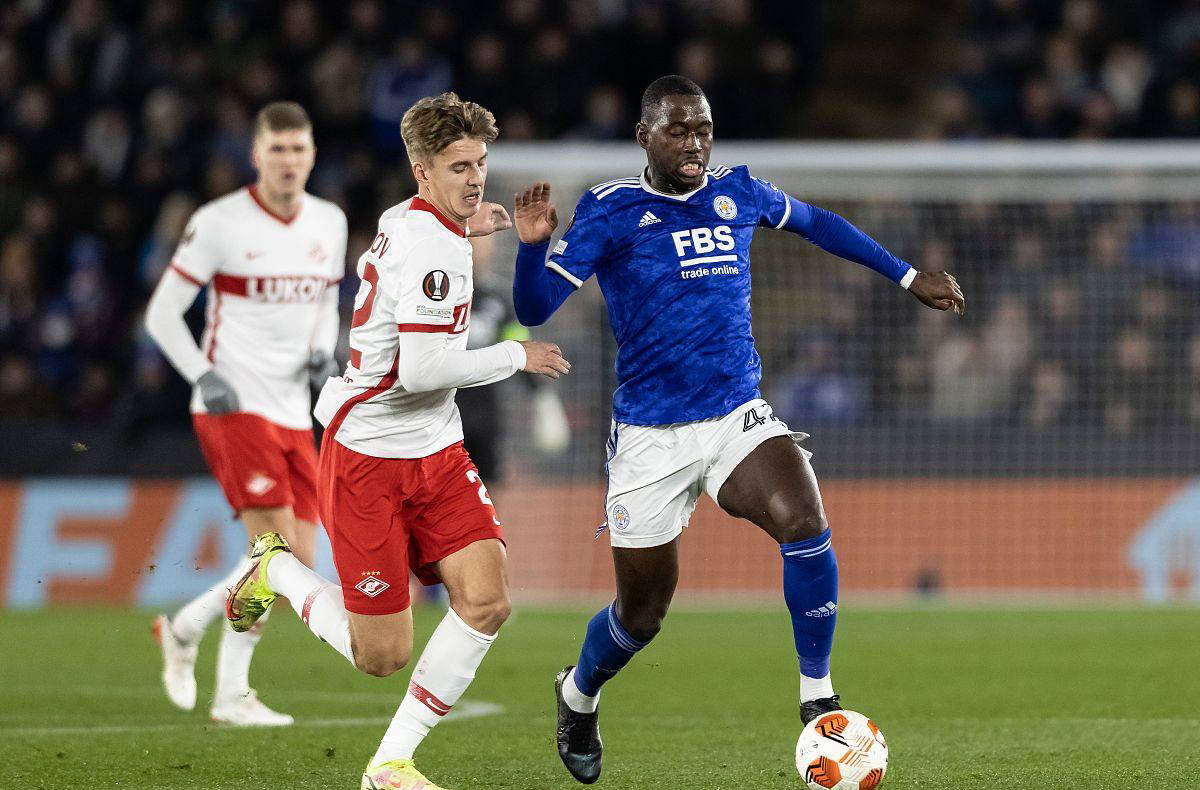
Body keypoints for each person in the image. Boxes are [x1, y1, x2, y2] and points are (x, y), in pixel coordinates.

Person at [511, 75, 966, 784]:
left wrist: (907, 277)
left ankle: (817, 694)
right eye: (678, 131)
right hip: (650, 436)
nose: (695, 143)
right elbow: (534, 308)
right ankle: (578, 694)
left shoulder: (739, 191)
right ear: (644, 137)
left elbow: (818, 223)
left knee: (805, 518)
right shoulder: (609, 209)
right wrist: (530, 249)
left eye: (703, 129)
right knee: (642, 614)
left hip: (734, 416)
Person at [225, 92, 570, 790]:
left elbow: (416, 243)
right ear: (422, 171)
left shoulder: (410, 219)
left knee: (487, 600)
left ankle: (390, 764)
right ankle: (276, 570)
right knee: (380, 655)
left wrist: (469, 224)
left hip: (436, 450)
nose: (475, 179)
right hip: (369, 458)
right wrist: (517, 356)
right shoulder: (432, 248)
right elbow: (422, 371)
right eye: (458, 168)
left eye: (479, 164)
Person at [144, 101, 347, 726]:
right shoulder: (219, 223)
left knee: (293, 564)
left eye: (298, 149)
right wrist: (202, 375)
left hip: (293, 409)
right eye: (277, 149)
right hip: (232, 403)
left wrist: (321, 352)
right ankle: (230, 693)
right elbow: (161, 314)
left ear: (312, 155)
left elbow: (324, 306)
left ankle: (185, 629)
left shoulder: (330, 221)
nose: (288, 161)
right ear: (256, 156)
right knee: (273, 552)